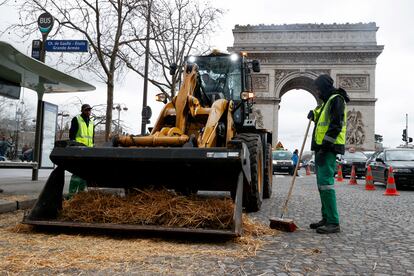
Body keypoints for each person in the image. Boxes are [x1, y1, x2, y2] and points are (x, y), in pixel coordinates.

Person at [307, 74, 349, 234]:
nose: (317, 91)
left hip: (329, 147)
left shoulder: (336, 99)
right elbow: (322, 116)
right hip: (321, 147)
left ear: (324, 87)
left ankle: (333, 221)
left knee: (326, 184)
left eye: (318, 88)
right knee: (322, 185)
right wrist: (313, 114)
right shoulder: (327, 101)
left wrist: (325, 145)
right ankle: (326, 218)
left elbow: (336, 124)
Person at [68, 104, 94, 198]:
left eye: (89, 110)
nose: (88, 112)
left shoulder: (91, 122)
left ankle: (81, 194)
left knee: (85, 172)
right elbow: (72, 135)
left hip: (88, 150)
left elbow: (92, 137)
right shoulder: (77, 119)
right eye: (86, 110)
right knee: (77, 171)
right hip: (79, 150)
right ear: (82, 110)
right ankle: (71, 194)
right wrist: (73, 146)